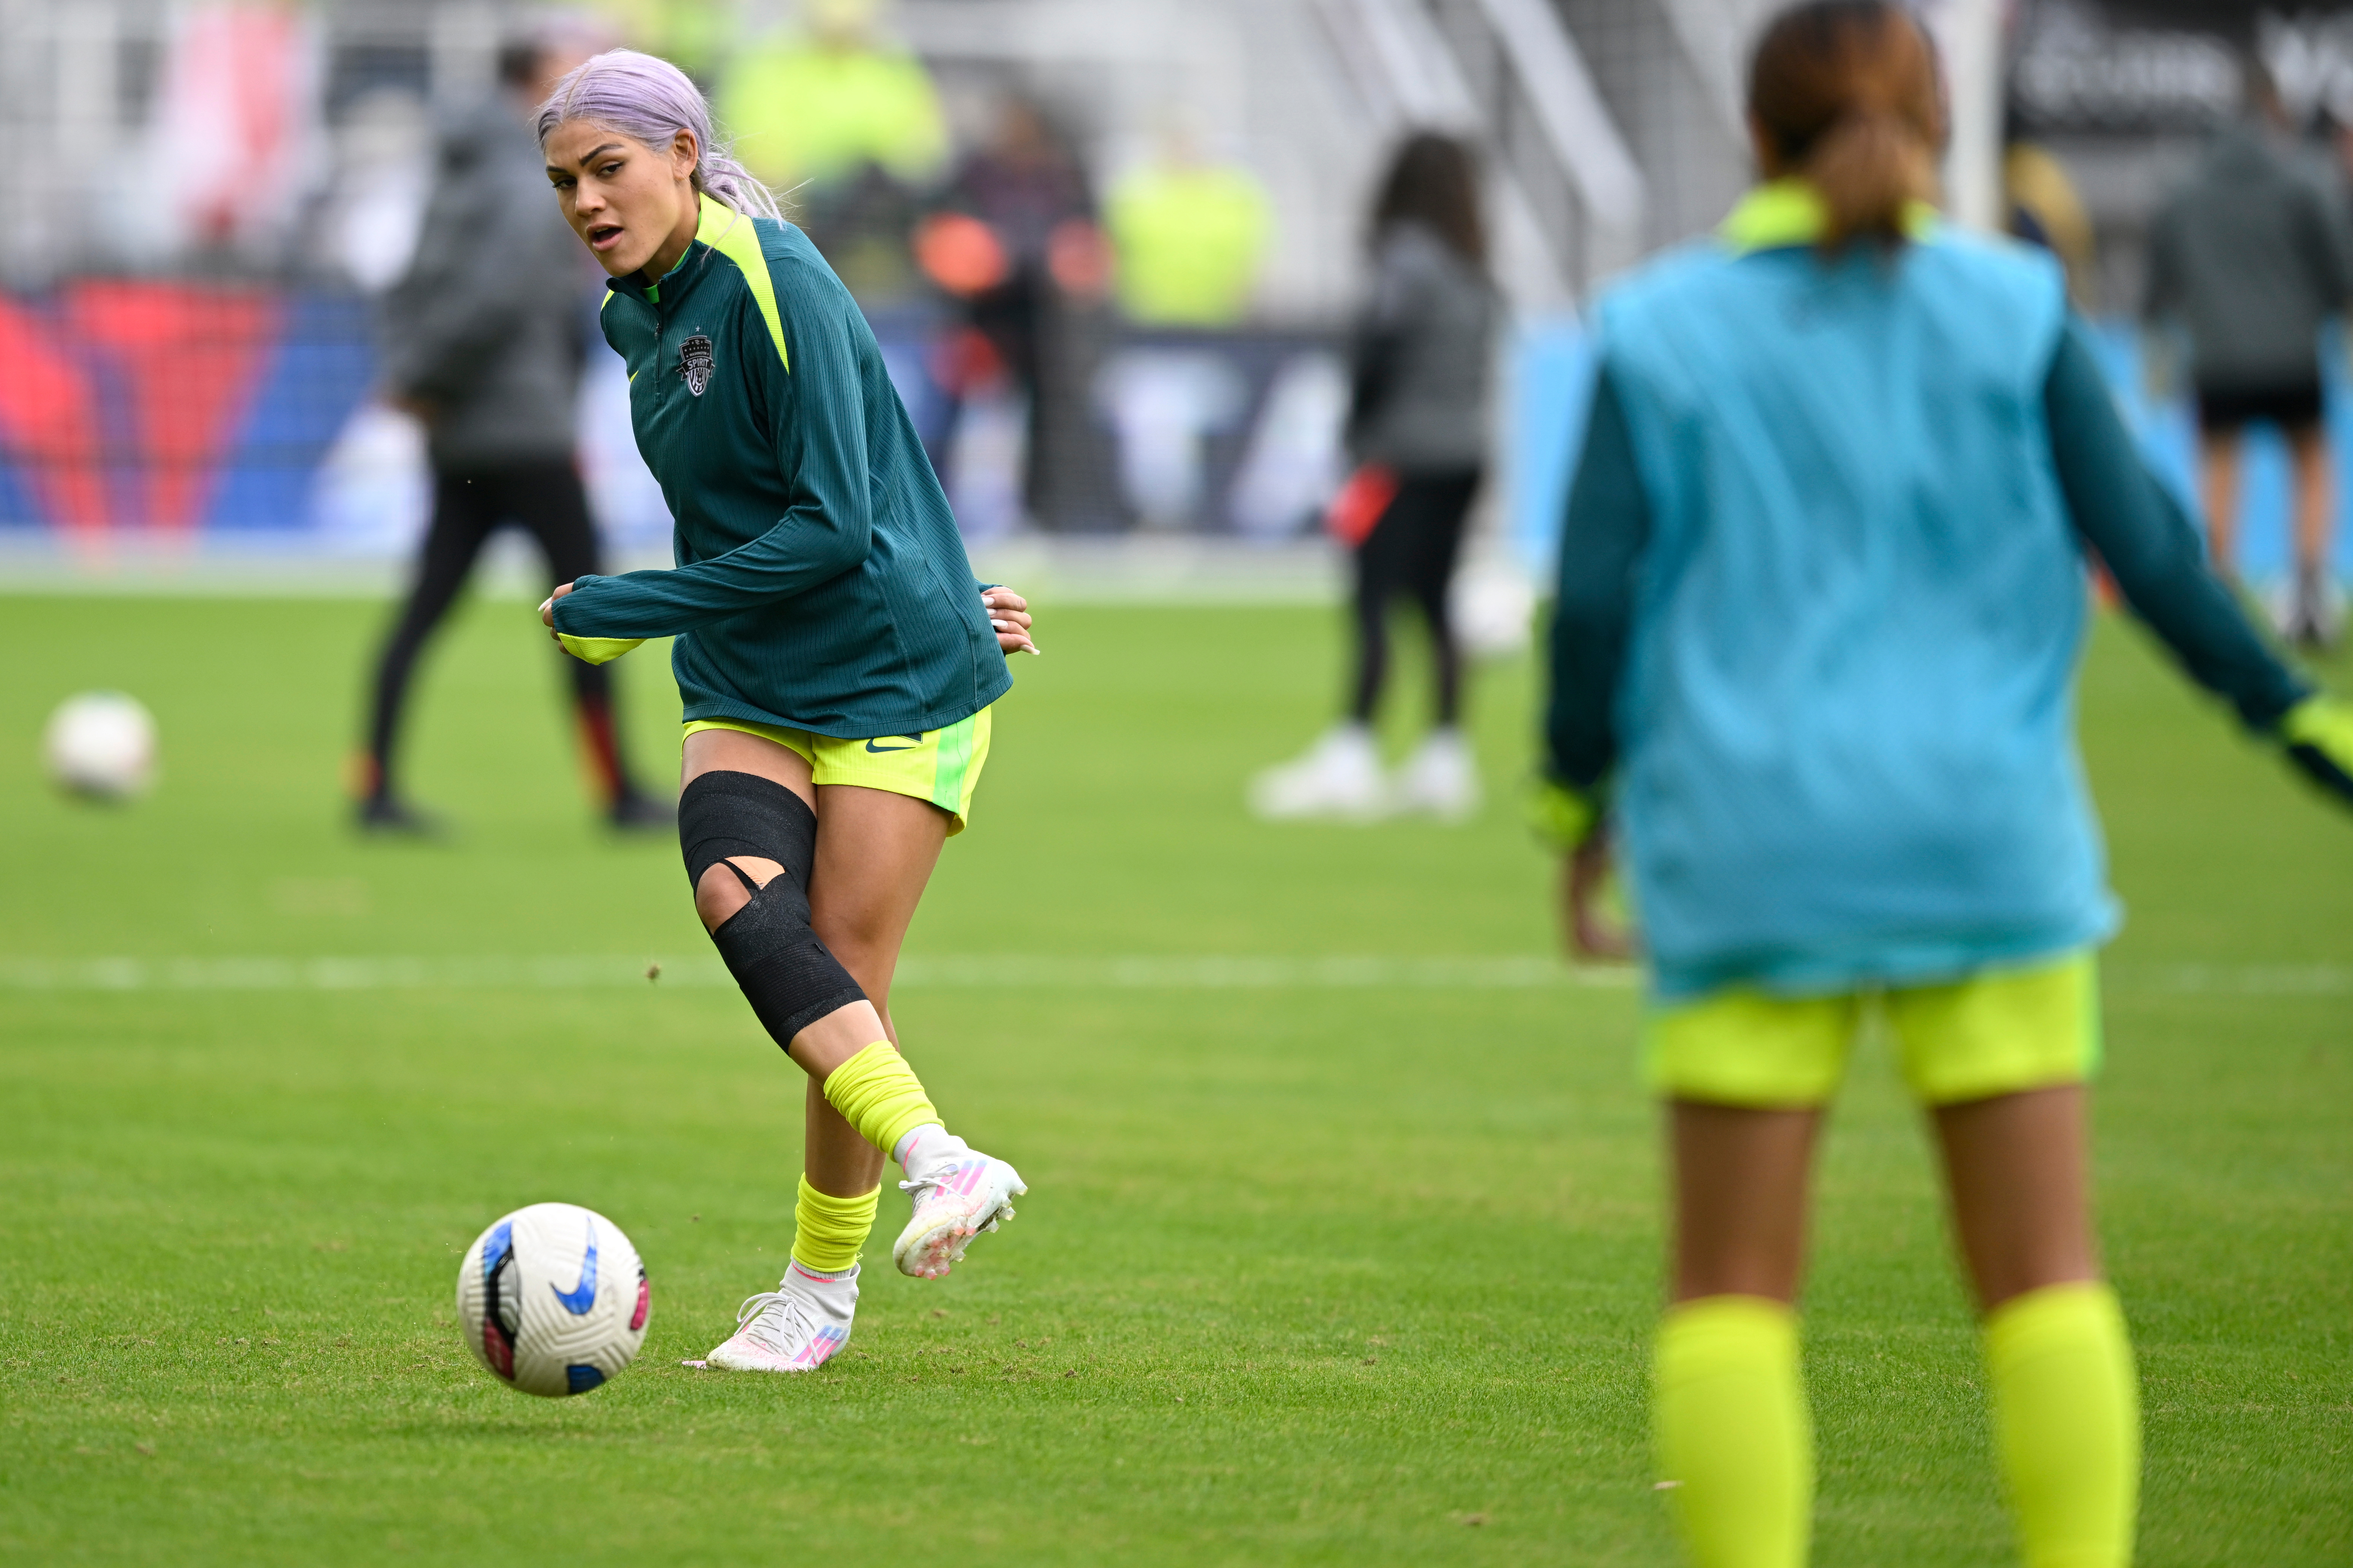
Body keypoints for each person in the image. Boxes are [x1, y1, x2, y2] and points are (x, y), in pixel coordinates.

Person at [1537, 5, 2353, 1566]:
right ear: (1927, 127)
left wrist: (1572, 807)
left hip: (1748, 848)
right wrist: (2291, 719)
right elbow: (2157, 556)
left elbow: (1589, 604)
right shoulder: (2011, 306)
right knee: (2043, 1281)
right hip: (1985, 840)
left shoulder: (1656, 325)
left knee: (1729, 1297)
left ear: (1755, 138)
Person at [533, 48, 1043, 1372]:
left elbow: (831, 521)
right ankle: (943, 1156)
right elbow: (845, 461)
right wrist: (940, 562)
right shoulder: (630, 311)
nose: (587, 200)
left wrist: (633, 606)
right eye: (565, 182)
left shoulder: (777, 274)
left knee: (842, 976)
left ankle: (818, 1298)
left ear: (685, 156)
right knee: (737, 901)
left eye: (610, 168)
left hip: (891, 679)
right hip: (753, 672)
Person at [362, 23, 665, 834]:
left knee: (425, 606)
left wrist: (417, 380)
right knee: (591, 602)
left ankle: (372, 786)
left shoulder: (451, 168)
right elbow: (497, 299)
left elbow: (407, 286)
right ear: (535, 83)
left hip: (460, 429)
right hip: (524, 428)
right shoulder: (529, 180)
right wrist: (432, 376)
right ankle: (616, 792)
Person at [1252, 133, 1498, 822]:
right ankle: (1446, 756)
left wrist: (1358, 424)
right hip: (1464, 453)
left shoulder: (1405, 262)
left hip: (1400, 455)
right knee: (1436, 603)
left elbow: (1380, 348)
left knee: (1372, 601)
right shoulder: (1474, 267)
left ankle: (1353, 751)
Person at [2146, 58, 2353, 648]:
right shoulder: (2304, 179)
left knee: (2218, 468)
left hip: (2216, 357)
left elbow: (2162, 271)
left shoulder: (2186, 187)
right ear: (2276, 112)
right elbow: (2340, 266)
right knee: (2313, 463)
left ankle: (2222, 594)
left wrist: (2154, 335)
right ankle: (2310, 589)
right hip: (2293, 354)